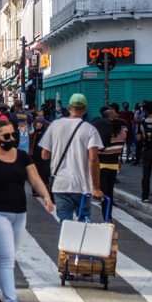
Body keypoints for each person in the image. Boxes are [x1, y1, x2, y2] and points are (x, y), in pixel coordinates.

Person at [0, 119, 55, 302]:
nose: (11, 139)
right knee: (6, 258)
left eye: (13, 135)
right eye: (6, 136)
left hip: (19, 213)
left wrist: (46, 196)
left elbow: (35, 179)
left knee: (6, 255)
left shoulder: (22, 157)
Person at [39, 93, 104, 222]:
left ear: (69, 106)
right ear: (85, 109)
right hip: (82, 185)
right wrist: (96, 187)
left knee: (65, 224)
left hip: (60, 184)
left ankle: (66, 242)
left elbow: (44, 155)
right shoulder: (90, 129)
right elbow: (93, 158)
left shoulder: (55, 126)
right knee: (83, 223)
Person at [91, 106, 125, 204]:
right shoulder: (122, 132)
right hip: (113, 165)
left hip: (101, 165)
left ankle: (107, 215)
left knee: (104, 191)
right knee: (109, 190)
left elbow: (99, 149)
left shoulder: (102, 129)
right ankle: (108, 215)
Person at [29, 113, 51, 188]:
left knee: (43, 171)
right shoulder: (32, 132)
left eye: (41, 123)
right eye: (37, 123)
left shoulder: (45, 133)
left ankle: (43, 185)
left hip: (42, 155)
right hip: (34, 154)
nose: (39, 125)